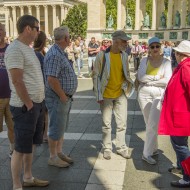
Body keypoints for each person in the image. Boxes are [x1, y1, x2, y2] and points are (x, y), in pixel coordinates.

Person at [4, 15, 49, 190]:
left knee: (30, 144)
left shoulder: (27, 48)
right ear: (28, 29)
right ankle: (17, 185)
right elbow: (17, 80)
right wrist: (29, 104)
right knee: (20, 148)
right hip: (25, 107)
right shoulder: (15, 49)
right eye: (37, 28)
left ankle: (28, 176)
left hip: (36, 104)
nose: (39, 32)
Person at [93, 30, 132, 160]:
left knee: (122, 123)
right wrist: (98, 94)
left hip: (120, 94)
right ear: (115, 41)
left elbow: (126, 73)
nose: (126, 44)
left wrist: (127, 87)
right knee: (106, 123)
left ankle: (121, 147)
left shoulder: (124, 55)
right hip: (106, 95)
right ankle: (107, 148)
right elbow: (96, 76)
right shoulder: (102, 56)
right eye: (124, 41)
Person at [44, 26, 78, 168]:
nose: (70, 38)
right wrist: (63, 96)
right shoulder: (55, 54)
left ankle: (59, 152)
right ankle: (53, 156)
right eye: (69, 36)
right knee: (56, 127)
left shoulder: (60, 52)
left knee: (61, 127)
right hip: (58, 98)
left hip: (63, 97)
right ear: (65, 38)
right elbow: (52, 79)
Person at [158, 40, 190, 188]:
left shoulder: (186, 67)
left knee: (180, 145)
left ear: (181, 54)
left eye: (176, 52)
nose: (174, 55)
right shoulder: (183, 66)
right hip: (179, 113)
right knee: (179, 143)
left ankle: (187, 176)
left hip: (181, 114)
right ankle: (180, 166)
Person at [137, 37, 172, 165]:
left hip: (159, 95)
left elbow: (167, 80)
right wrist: (158, 77)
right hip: (144, 93)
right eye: (152, 47)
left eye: (157, 46)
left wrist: (150, 79)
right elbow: (141, 77)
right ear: (149, 49)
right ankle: (154, 148)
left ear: (161, 47)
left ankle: (146, 154)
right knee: (149, 123)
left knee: (152, 124)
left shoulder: (166, 62)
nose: (155, 49)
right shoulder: (144, 60)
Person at [0, 23, 15, 158]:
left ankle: (12, 150)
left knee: (12, 126)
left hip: (11, 95)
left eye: (1, 30)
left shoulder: (11, 50)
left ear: (5, 33)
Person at [33, 30, 49, 143]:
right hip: (42, 88)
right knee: (44, 113)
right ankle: (43, 135)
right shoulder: (38, 54)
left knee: (44, 113)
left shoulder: (40, 52)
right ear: (43, 41)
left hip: (42, 87)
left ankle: (44, 134)